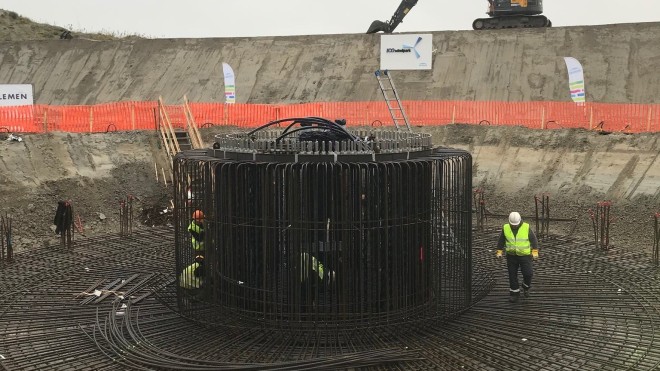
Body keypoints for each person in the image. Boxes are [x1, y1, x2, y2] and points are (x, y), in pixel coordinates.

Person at [496, 211, 539, 303]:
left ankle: (526, 286)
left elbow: (534, 240)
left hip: (525, 256)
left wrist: (534, 252)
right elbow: (501, 241)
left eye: (516, 224)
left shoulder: (526, 227)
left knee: (528, 273)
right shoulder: (506, 228)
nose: (514, 226)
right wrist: (499, 252)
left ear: (520, 221)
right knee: (512, 276)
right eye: (513, 224)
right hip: (511, 256)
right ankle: (514, 294)